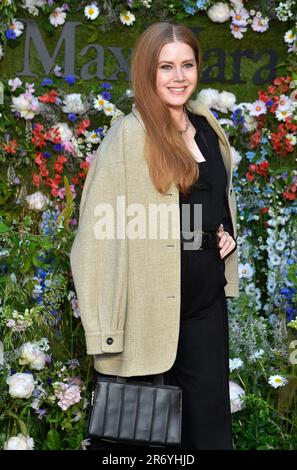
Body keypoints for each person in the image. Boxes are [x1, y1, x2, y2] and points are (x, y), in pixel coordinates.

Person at [70, 21, 239, 450]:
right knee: (139, 444)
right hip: (145, 312)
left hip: (204, 309)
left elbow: (210, 201)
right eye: (166, 67)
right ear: (147, 72)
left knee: (208, 434)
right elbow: (94, 239)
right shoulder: (128, 136)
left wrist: (220, 235)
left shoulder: (206, 128)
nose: (179, 77)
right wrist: (105, 330)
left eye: (187, 65)